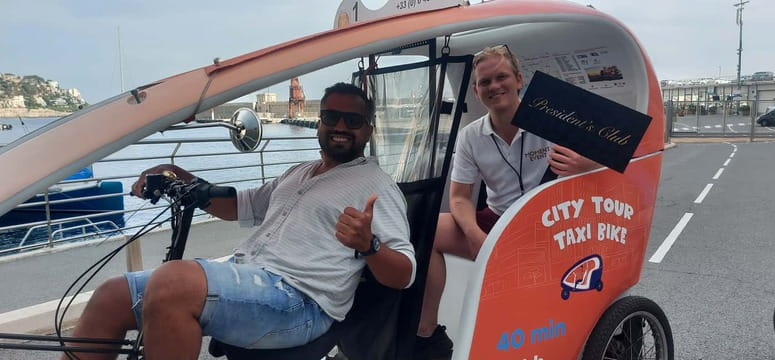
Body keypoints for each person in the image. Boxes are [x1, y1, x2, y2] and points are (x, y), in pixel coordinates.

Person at [64, 83, 416, 360]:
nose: (340, 126)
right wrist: (178, 174)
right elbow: (238, 206)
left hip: (301, 301)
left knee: (173, 284)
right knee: (111, 295)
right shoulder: (300, 172)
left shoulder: (375, 185)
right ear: (319, 122)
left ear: (368, 131)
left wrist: (368, 245)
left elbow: (405, 273)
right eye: (331, 116)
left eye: (353, 121)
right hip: (252, 276)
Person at [414, 45, 599, 358]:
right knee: (425, 230)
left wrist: (584, 164)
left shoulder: (552, 119)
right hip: (499, 220)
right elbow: (459, 197)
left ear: (518, 80)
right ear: (476, 91)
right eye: (485, 82)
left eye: (501, 77)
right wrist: (474, 235)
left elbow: (614, 155)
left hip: (551, 222)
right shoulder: (470, 136)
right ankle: (427, 332)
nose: (494, 86)